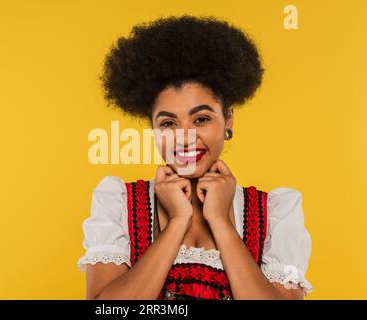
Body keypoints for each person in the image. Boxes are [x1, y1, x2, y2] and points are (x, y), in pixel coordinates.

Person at [77, 14, 313, 300]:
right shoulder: (117, 202)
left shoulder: (277, 212)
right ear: (152, 128)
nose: (185, 137)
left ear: (228, 120)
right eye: (168, 123)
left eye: (201, 119)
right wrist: (177, 221)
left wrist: (221, 222)